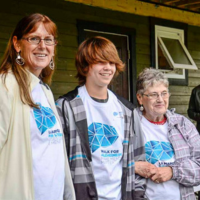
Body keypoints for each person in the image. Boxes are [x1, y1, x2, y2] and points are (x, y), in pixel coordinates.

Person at [56, 36, 146, 200]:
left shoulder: (128, 111)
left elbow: (139, 160)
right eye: (100, 62)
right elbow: (56, 162)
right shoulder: (66, 107)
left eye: (111, 63)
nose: (108, 68)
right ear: (85, 66)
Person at [0, 13, 75, 200]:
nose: (43, 46)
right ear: (17, 44)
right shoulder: (5, 86)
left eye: (48, 40)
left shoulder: (44, 89)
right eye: (34, 38)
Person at [134, 68, 200, 200]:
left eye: (164, 93)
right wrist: (133, 166)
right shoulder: (129, 126)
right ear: (140, 98)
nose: (160, 99)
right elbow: (111, 164)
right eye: (153, 94)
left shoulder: (183, 125)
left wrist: (172, 171)